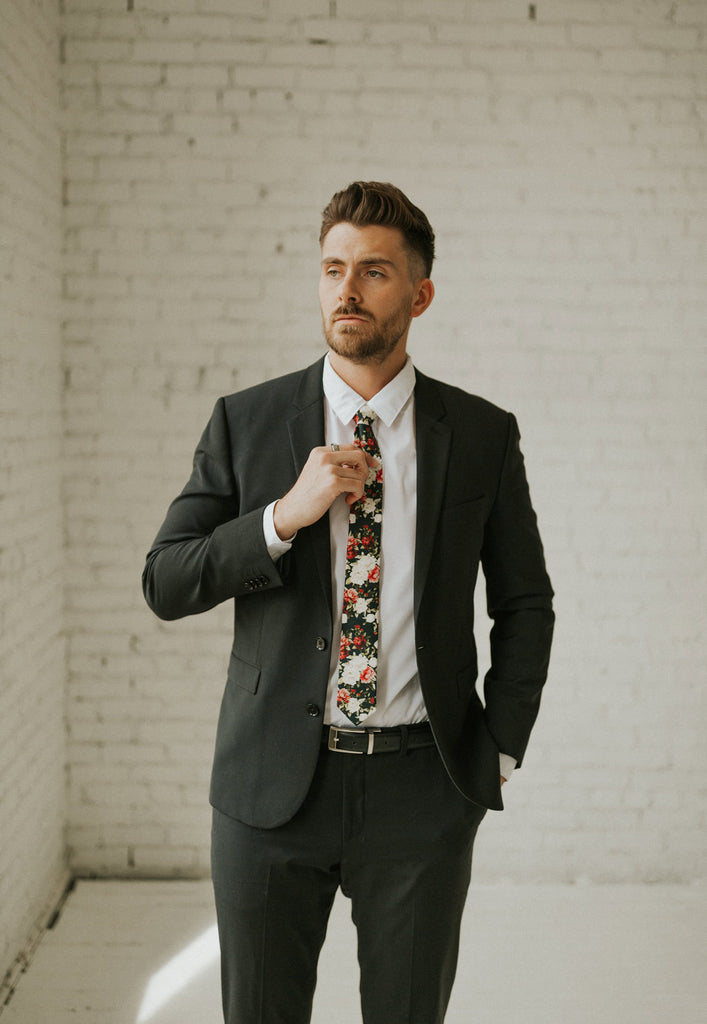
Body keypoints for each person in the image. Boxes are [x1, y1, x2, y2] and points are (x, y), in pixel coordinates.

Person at [142, 181, 554, 1024]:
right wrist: (283, 517)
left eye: (372, 271)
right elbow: (167, 579)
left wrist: (496, 749)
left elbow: (525, 602)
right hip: (267, 791)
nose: (346, 290)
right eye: (332, 269)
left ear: (419, 293)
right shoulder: (246, 422)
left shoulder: (479, 435)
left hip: (421, 788)